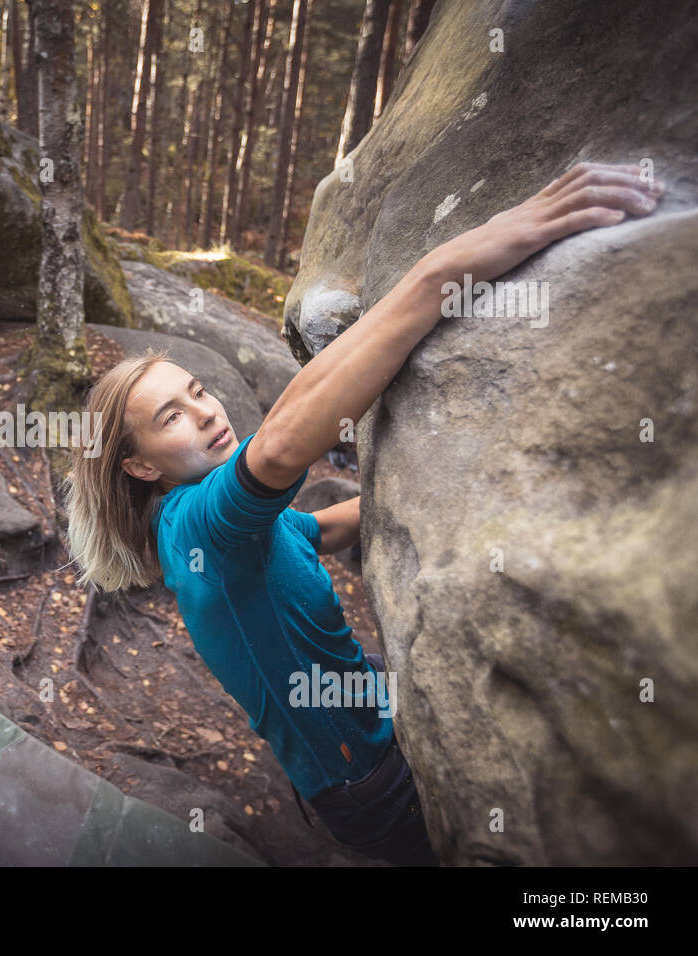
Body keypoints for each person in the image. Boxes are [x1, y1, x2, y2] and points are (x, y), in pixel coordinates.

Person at [61, 163, 664, 865]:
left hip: (367, 724)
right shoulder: (198, 523)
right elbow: (285, 439)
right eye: (171, 417)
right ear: (139, 466)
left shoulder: (228, 527)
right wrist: (450, 266)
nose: (205, 412)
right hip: (370, 779)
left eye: (197, 391)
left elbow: (327, 527)